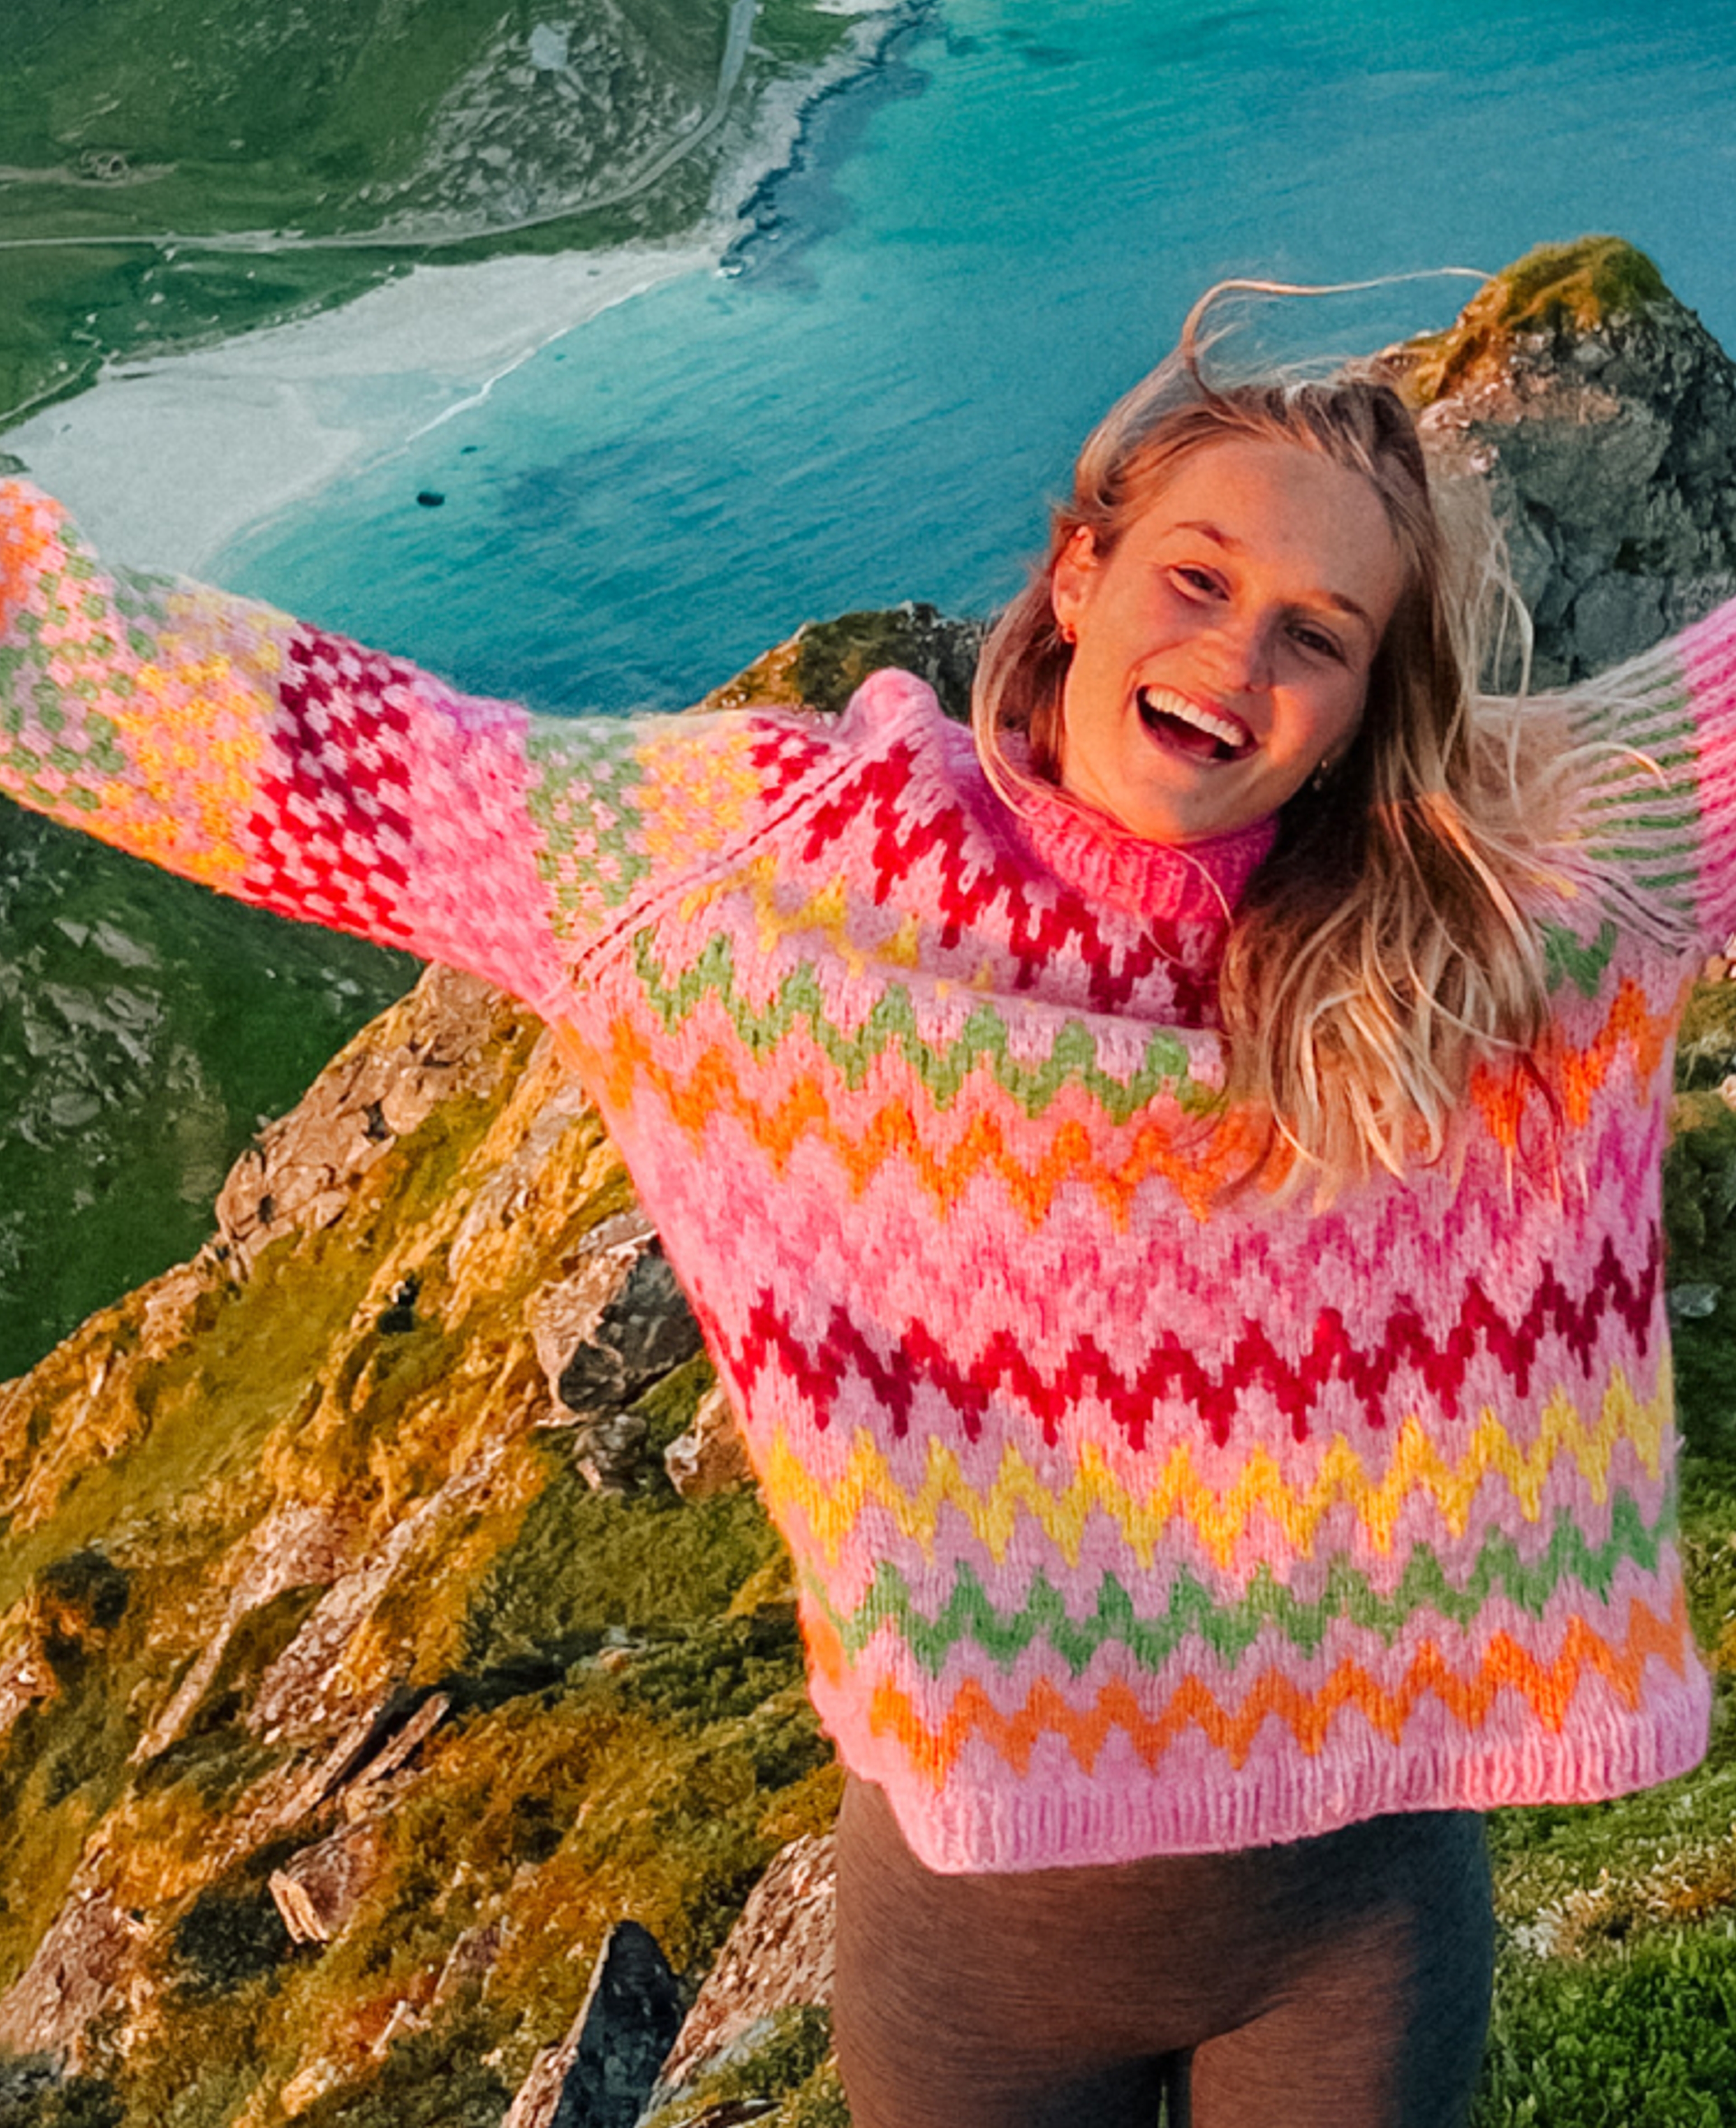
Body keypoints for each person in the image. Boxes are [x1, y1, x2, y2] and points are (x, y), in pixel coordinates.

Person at [0, 289, 1717, 2128]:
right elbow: (353, 762)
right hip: (980, 1955)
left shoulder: (1492, 896)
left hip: (1357, 1931)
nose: (1236, 657)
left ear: (1370, 702)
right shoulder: (786, 866)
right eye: (1198, 576)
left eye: (1319, 630)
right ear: (1080, 573)